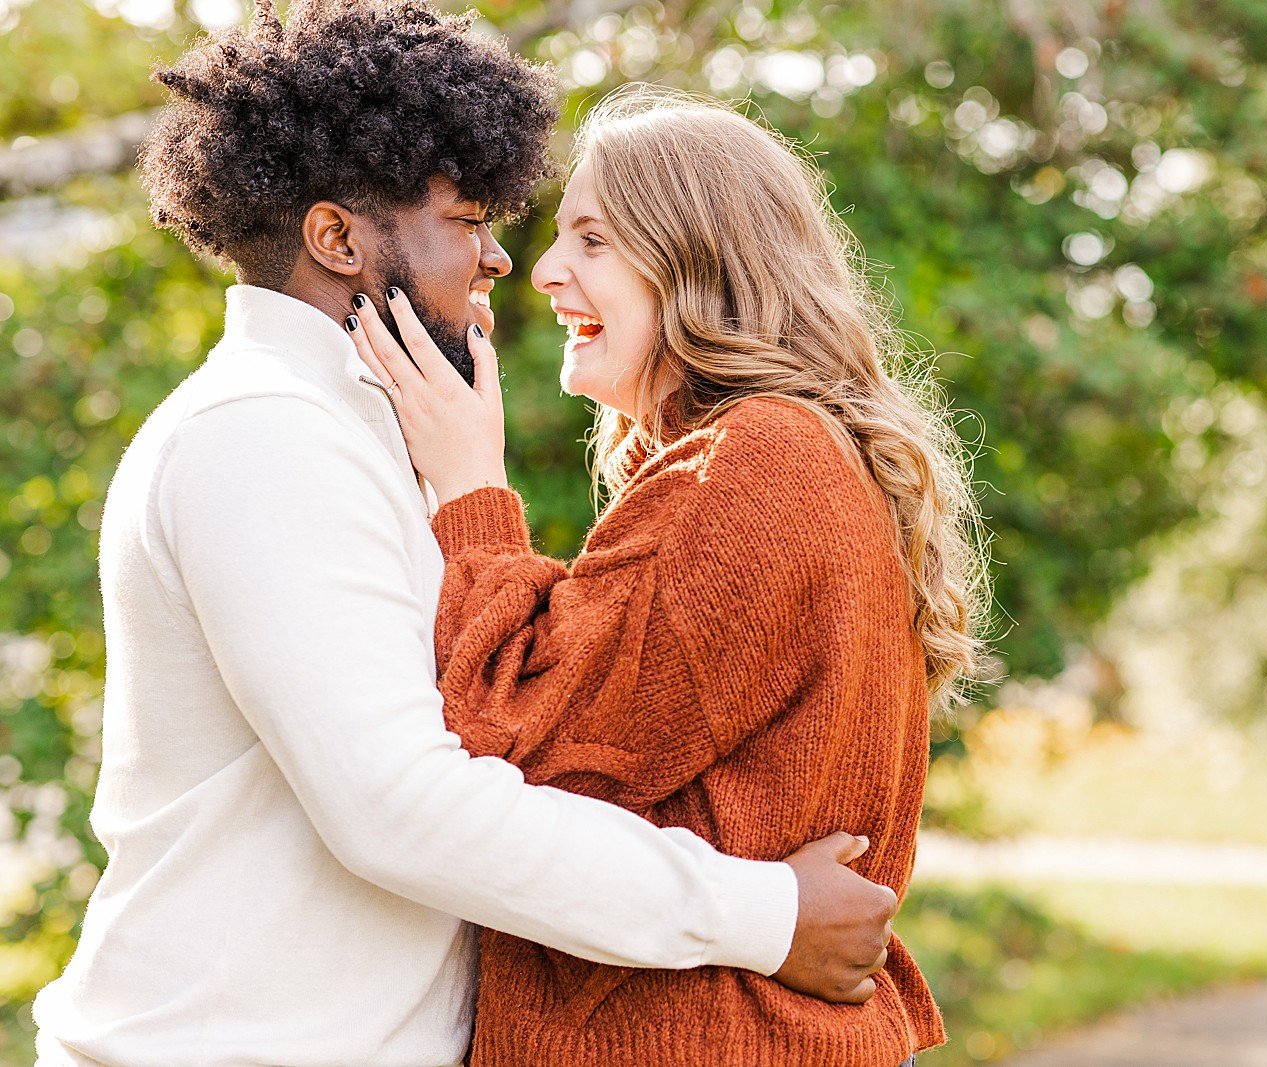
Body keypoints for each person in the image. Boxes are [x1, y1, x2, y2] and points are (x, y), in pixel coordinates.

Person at [32, 8, 894, 1066]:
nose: (500, 260)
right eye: (470, 220)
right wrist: (765, 913)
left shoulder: (366, 435)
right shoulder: (264, 435)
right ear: (338, 238)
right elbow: (404, 805)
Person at [350, 85, 989, 1065]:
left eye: (594, 240)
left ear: (702, 264)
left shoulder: (760, 461)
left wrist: (472, 488)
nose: (548, 271)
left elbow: (514, 748)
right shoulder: (770, 457)